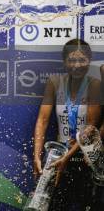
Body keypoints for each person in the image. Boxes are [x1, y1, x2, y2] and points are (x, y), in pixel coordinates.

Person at [32, 39, 101, 210]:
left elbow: (92, 127)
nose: (77, 65)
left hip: (84, 157)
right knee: (53, 206)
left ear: (89, 60)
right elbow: (42, 120)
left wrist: (68, 157)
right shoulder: (54, 83)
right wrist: (36, 156)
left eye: (82, 60)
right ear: (64, 61)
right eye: (71, 60)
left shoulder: (95, 85)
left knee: (86, 205)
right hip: (58, 157)